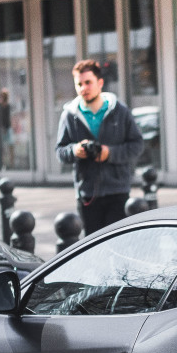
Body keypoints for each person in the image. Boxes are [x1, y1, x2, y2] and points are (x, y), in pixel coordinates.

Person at [55, 59, 144, 235]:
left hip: (117, 191)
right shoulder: (69, 115)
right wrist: (75, 151)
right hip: (87, 193)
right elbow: (60, 151)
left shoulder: (120, 111)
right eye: (79, 84)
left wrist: (109, 153)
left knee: (118, 245)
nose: (83, 88)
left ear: (100, 83)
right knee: (93, 249)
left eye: (88, 83)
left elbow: (137, 145)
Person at [0, 89, 14, 168]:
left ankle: (11, 164)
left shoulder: (8, 106)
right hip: (1, 129)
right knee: (1, 148)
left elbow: (8, 117)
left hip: (8, 128)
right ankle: (2, 164)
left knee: (10, 146)